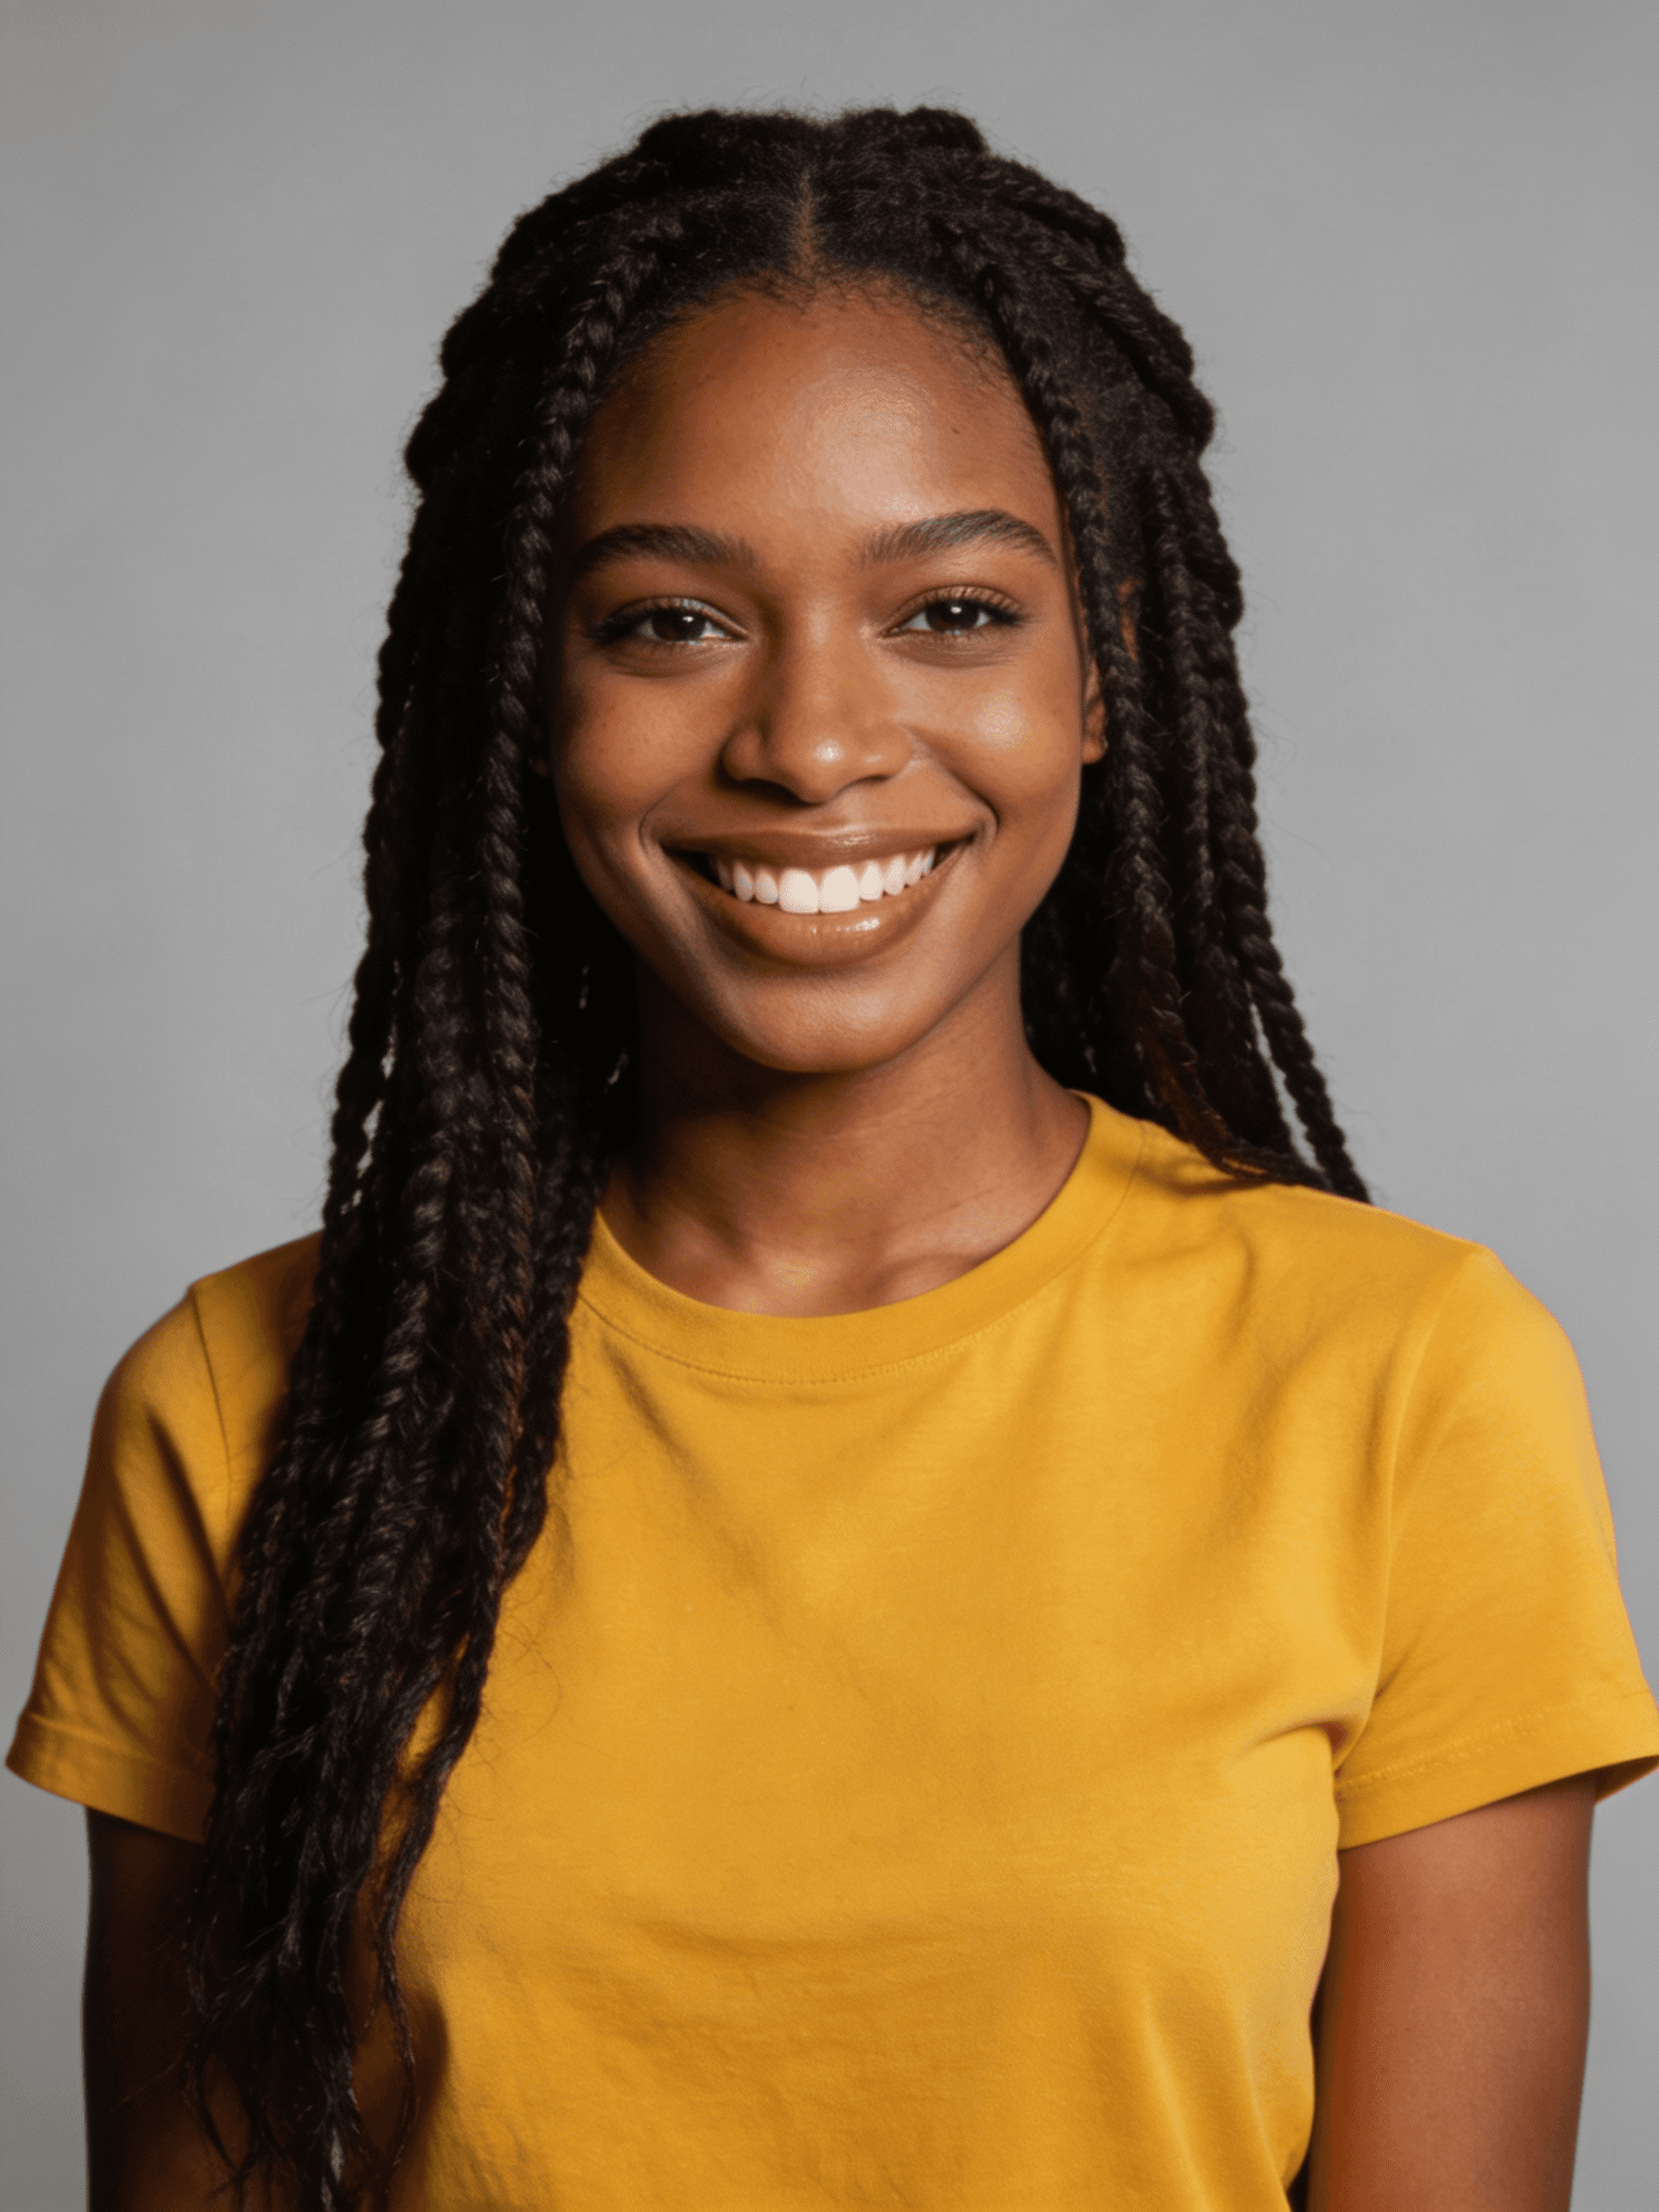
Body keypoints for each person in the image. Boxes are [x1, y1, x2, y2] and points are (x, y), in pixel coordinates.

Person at [8, 103, 1657, 2212]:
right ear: (527, 694)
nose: (807, 740)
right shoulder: (252, 1416)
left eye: (951, 614)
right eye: (672, 622)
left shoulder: (1408, 1387)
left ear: (1104, 675)